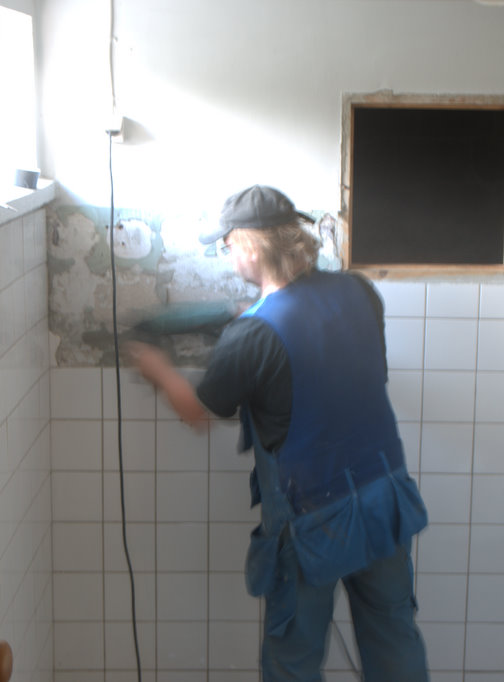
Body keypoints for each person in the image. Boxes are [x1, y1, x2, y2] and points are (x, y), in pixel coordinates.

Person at [129, 185, 430, 681]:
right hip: (385, 497)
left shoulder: (252, 334)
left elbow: (198, 413)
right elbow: (342, 360)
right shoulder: (358, 292)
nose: (228, 257)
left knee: (293, 661)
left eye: (228, 246)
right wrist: (250, 318)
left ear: (250, 247)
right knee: (394, 638)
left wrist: (154, 366)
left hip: (313, 519)